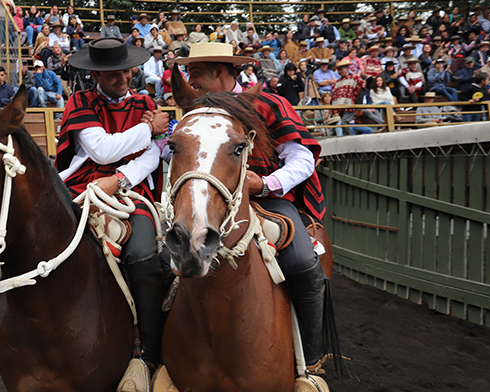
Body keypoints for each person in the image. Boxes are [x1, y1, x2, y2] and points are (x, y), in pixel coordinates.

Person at [174, 41, 330, 374]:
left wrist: (265, 184)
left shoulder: (271, 103)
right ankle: (159, 355)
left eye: (196, 73)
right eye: (188, 73)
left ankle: (313, 361)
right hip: (211, 201)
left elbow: (302, 159)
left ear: (220, 71)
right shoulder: (194, 111)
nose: (191, 80)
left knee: (303, 262)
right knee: (161, 257)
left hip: (268, 200)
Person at [57, 38, 169, 380]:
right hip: (83, 185)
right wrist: (148, 128)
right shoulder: (79, 101)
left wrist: (121, 179)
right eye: (113, 75)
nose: (122, 79)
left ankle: (152, 352)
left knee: (144, 257)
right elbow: (102, 150)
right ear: (96, 76)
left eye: (126, 72)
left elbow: (156, 154)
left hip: (130, 190)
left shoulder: (146, 99)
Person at [332, 59, 381, 132]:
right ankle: (347, 137)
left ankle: (349, 138)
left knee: (344, 122)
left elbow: (360, 90)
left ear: (347, 68)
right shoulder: (338, 82)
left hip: (351, 105)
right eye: (339, 70)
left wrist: (359, 105)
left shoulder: (355, 78)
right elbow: (335, 95)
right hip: (341, 107)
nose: (340, 71)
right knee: (343, 123)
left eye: (342, 69)